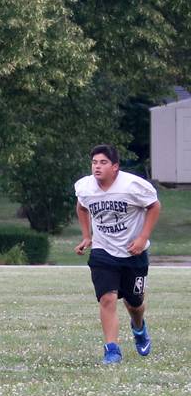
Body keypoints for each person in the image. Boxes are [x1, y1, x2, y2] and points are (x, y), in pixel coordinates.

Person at [74, 144, 160, 364]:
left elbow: (154, 206)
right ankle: (112, 349)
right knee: (107, 298)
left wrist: (142, 239)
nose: (97, 167)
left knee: (135, 303)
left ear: (115, 167)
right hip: (103, 250)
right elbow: (82, 206)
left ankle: (139, 328)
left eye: (103, 162)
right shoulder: (85, 186)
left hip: (133, 253)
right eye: (94, 162)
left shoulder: (133, 185)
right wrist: (87, 236)